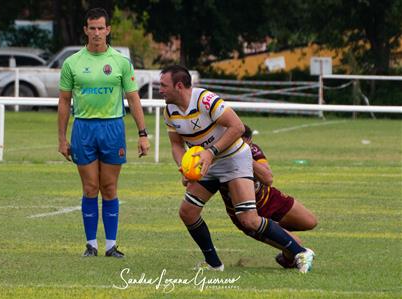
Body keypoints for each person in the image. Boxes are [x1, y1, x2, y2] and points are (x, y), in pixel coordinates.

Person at [160, 65, 315, 273]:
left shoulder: (206, 100)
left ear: (179, 86)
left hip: (234, 158)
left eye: (163, 85)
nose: (159, 89)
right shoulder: (170, 110)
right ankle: (214, 264)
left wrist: (211, 152)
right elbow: (176, 145)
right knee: (188, 212)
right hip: (208, 164)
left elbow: (238, 127)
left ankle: (300, 252)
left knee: (248, 219)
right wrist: (183, 167)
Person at [58, 8, 150, 258]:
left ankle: (111, 245)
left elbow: (133, 98)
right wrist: (62, 138)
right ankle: (91, 245)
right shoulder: (72, 63)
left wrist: (143, 134)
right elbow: (65, 101)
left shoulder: (120, 62)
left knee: (109, 187)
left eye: (101, 28)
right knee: (90, 188)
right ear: (85, 30)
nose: (97, 32)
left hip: (112, 128)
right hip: (84, 128)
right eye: (92, 28)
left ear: (108, 30)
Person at [219, 124, 317, 268]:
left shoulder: (252, 149)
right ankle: (286, 253)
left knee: (310, 221)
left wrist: (244, 157)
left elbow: (268, 178)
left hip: (269, 199)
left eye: (248, 144)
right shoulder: (220, 157)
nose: (248, 147)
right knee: (296, 244)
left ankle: (277, 233)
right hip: (246, 213)